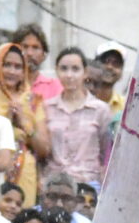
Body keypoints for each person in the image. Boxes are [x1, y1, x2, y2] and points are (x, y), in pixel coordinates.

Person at [0, 41, 52, 200]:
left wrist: (23, 122)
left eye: (18, 67)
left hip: (25, 176)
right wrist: (7, 121)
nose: (12, 71)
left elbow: (44, 149)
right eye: (6, 65)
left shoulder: (32, 101)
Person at [45, 46, 111, 181]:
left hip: (88, 185)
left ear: (85, 72)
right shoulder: (47, 107)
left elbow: (107, 152)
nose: (69, 75)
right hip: (54, 184)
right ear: (56, 71)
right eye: (64, 69)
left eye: (75, 69)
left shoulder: (100, 110)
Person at [14, 25, 63, 106]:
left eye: (35, 47)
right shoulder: (7, 84)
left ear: (44, 55)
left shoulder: (55, 87)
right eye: (25, 47)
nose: (29, 53)